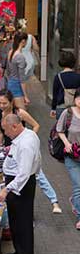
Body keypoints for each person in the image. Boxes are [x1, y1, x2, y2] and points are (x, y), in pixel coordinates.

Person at [0, 89, 61, 213]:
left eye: (4, 103)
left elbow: (36, 125)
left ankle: (54, 201)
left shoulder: (20, 113)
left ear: (11, 102)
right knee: (16, 173)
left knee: (37, 175)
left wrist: (27, 140)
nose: (2, 106)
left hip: (24, 149)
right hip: (10, 150)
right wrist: (0, 148)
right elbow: (0, 132)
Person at [0, 114, 41, 254]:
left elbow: (23, 174)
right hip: (16, 183)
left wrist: (6, 189)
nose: (6, 133)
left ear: (15, 126)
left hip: (20, 186)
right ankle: (19, 252)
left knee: (22, 222)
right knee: (15, 220)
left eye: (6, 130)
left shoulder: (26, 143)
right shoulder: (25, 136)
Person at [56, 92, 80, 230]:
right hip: (72, 156)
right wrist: (66, 143)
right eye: (79, 98)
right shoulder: (68, 113)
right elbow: (60, 130)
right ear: (75, 99)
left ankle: (75, 201)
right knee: (78, 186)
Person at [3, 32, 30, 110]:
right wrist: (25, 96)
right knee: (21, 112)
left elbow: (8, 70)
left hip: (10, 82)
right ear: (23, 41)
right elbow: (22, 78)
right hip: (16, 85)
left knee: (11, 110)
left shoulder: (11, 52)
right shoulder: (20, 56)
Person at [52, 50, 80, 119]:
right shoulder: (78, 77)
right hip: (76, 107)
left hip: (61, 107)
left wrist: (53, 109)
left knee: (61, 128)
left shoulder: (58, 77)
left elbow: (55, 95)